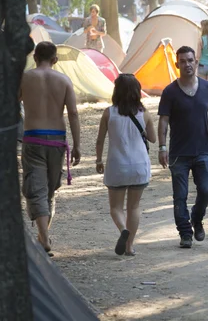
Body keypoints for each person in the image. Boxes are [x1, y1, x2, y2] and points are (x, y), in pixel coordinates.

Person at [158, 46, 208, 249]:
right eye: (183, 61)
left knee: (205, 190)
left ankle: (197, 218)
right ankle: (185, 233)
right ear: (177, 64)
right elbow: (163, 121)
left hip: (203, 150)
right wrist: (162, 147)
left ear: (196, 62)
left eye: (190, 60)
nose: (187, 64)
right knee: (180, 196)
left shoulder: (207, 88)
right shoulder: (170, 91)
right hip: (179, 153)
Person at [20, 41, 81, 256]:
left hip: (33, 138)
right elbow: (73, 114)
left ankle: (43, 236)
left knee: (36, 187)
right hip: (57, 140)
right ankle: (44, 236)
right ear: (55, 60)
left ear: (35, 57)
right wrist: (77, 145)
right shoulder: (64, 80)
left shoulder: (25, 78)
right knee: (49, 189)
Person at [95, 74, 156, 256]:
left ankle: (123, 230)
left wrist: (98, 160)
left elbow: (100, 141)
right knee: (134, 207)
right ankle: (130, 246)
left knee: (116, 207)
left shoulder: (109, 113)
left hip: (117, 165)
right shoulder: (144, 113)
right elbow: (153, 139)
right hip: (139, 166)